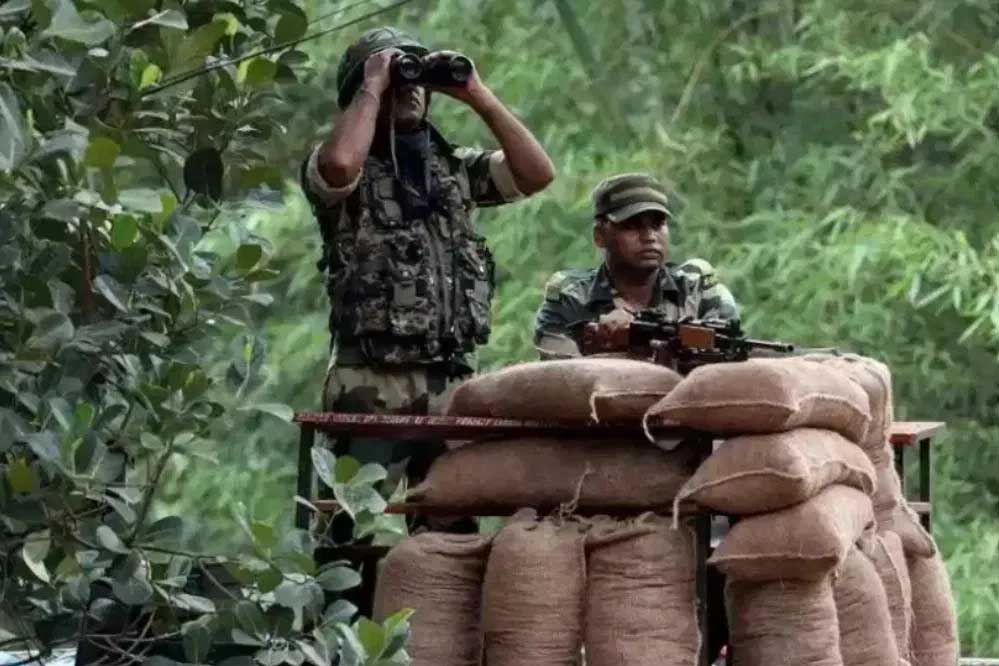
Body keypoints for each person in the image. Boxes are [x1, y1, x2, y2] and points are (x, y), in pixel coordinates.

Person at [300, 27, 554, 533]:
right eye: (400, 77)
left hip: (452, 381)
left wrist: (475, 93)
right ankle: (344, 590)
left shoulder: (453, 167)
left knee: (452, 540)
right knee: (347, 534)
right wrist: (374, 82)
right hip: (371, 381)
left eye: (416, 78)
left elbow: (536, 173)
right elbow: (339, 166)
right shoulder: (339, 165)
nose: (410, 88)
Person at [533, 173, 737, 358]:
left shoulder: (697, 288)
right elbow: (560, 374)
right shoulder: (571, 297)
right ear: (599, 236)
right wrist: (608, 349)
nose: (649, 237)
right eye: (631, 226)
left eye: (657, 224)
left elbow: (728, 365)